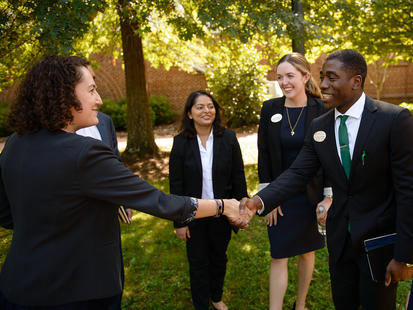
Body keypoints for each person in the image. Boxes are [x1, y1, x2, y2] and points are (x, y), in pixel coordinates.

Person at [0, 56, 247, 309]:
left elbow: (6, 215)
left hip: (17, 286)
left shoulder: (15, 143)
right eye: (92, 89)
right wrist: (221, 206)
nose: (99, 100)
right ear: (63, 95)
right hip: (77, 291)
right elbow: (160, 202)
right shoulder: (85, 153)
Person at [241, 49, 413, 310]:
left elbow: (408, 191)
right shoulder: (320, 126)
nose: (322, 85)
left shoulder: (393, 120)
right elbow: (298, 173)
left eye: (332, 78)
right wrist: (257, 202)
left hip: (378, 245)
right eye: (322, 77)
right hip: (340, 241)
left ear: (355, 81)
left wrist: (404, 255)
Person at [258, 53, 331, 310]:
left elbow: (329, 158)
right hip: (280, 195)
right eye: (280, 77)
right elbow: (264, 154)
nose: (284, 82)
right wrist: (269, 198)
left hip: (310, 196)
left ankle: (300, 305)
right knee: (278, 254)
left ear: (305, 76)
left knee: (307, 252)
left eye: (290, 76)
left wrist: (328, 195)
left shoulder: (322, 109)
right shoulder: (270, 109)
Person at [169, 90, 248, 310]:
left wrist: (242, 208)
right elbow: (176, 185)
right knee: (197, 262)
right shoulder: (180, 143)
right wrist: (179, 222)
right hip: (193, 214)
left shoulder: (229, 138)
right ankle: (201, 303)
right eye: (200, 107)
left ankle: (216, 296)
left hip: (222, 213)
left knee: (219, 258)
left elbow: (238, 176)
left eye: (210, 106)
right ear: (190, 113)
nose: (207, 110)